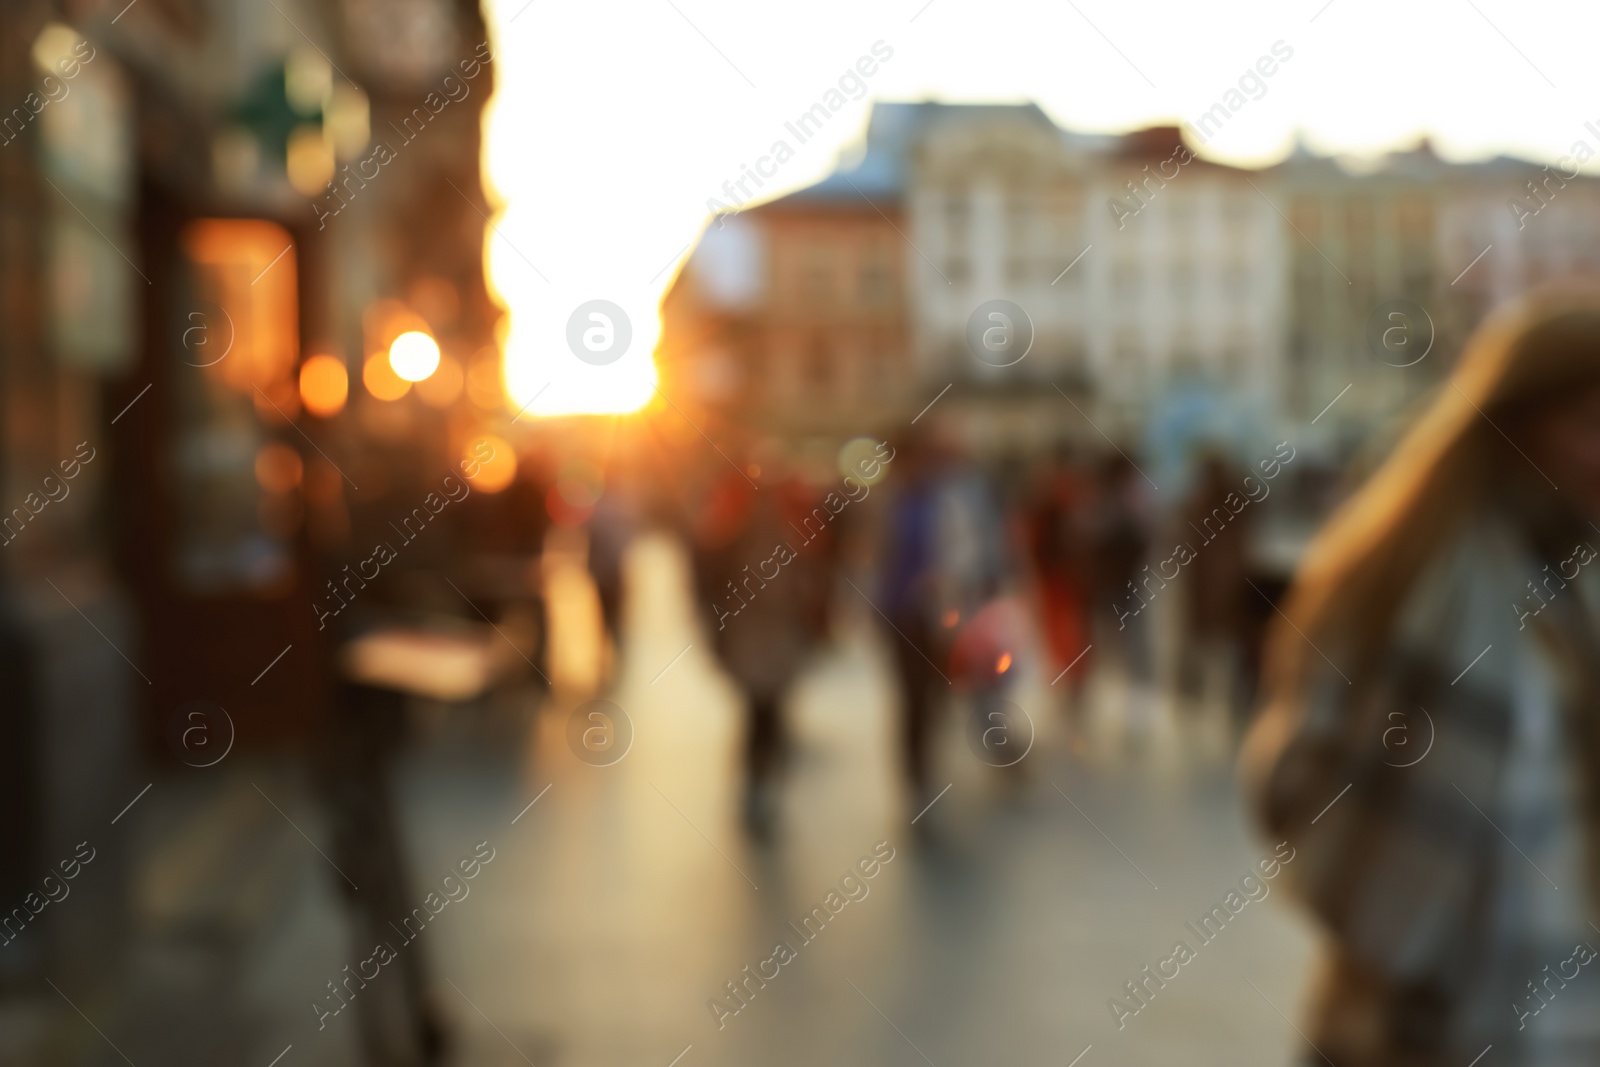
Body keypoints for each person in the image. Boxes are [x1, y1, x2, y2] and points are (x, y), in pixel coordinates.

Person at [1243, 285, 1600, 1065]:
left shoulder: (1575, 580)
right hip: (1416, 1026)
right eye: (1590, 424)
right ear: (1516, 428)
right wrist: (1387, 886)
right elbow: (1290, 781)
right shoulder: (1418, 579)